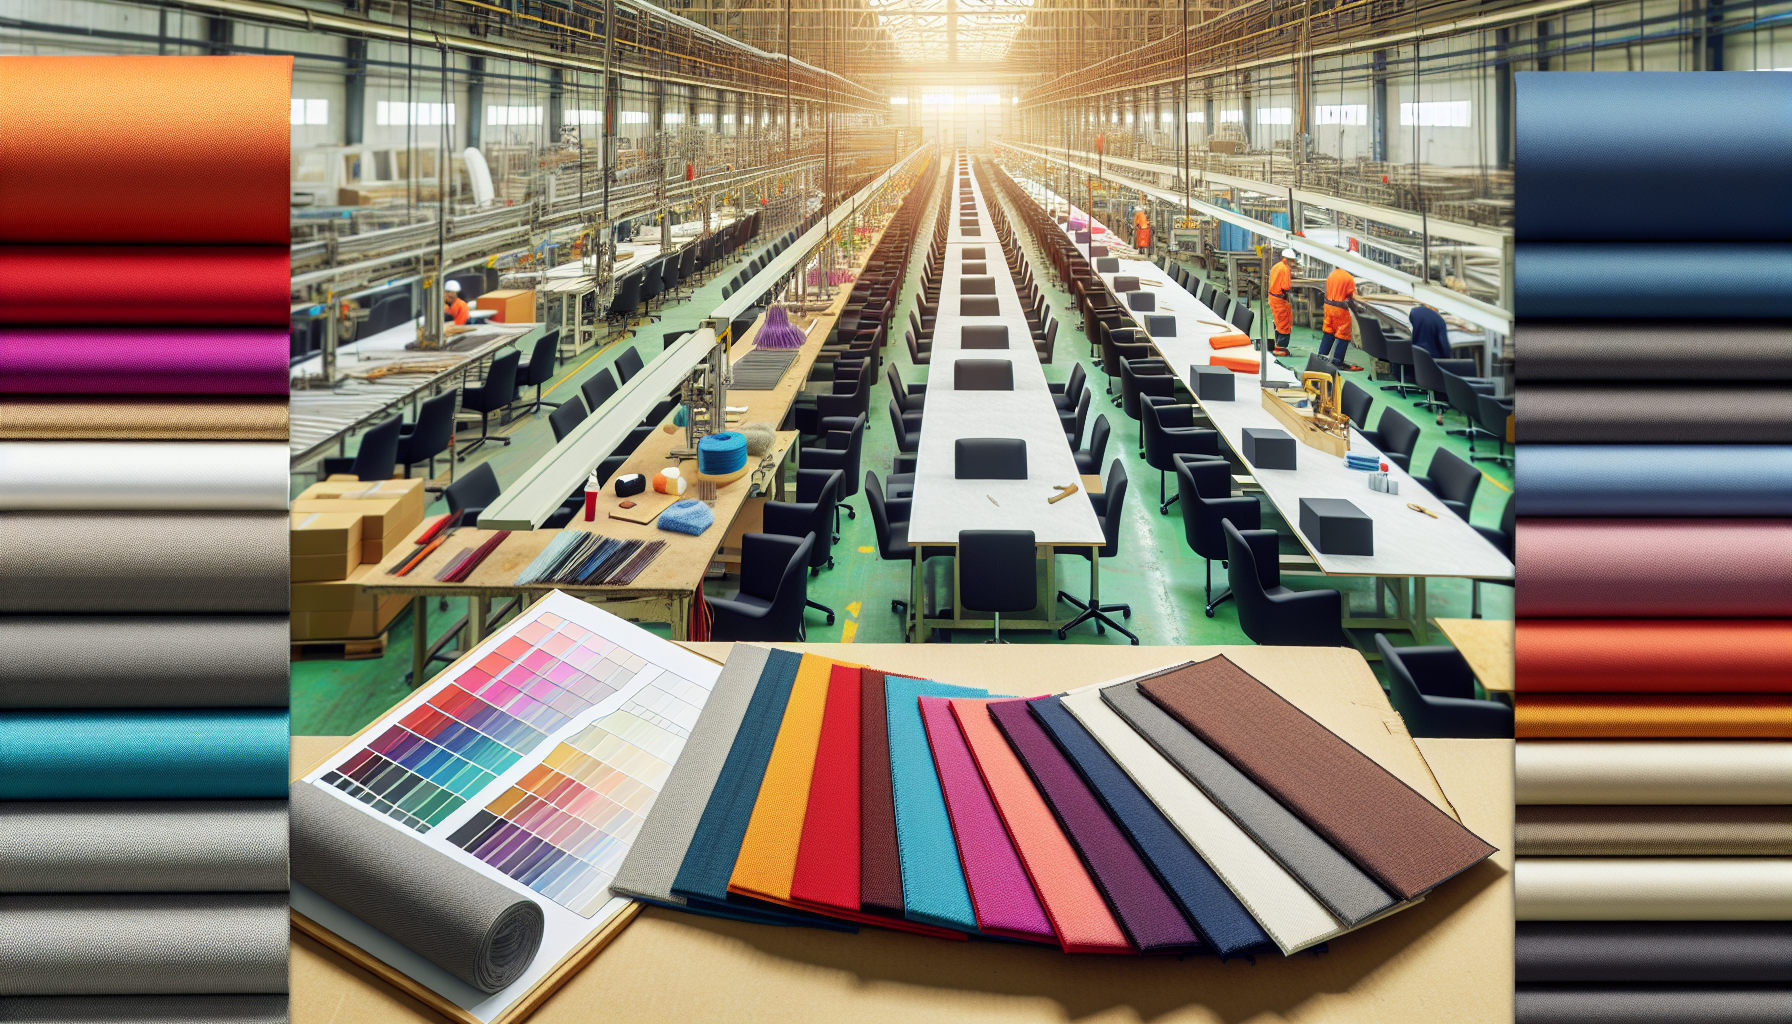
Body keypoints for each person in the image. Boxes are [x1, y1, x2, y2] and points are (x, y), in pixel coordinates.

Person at [1317, 264, 1363, 371]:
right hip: (1340, 309)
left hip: (1328, 307)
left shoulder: (1332, 275)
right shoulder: (1348, 277)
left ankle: (1321, 358)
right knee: (1343, 335)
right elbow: (1352, 296)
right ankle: (1338, 362)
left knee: (1329, 331)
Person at [1267, 248, 1297, 356]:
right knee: (1285, 323)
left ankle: (1278, 345)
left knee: (1278, 322)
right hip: (1279, 299)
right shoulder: (1285, 268)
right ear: (1287, 259)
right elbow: (1285, 286)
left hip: (1272, 297)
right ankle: (1280, 349)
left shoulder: (1276, 266)